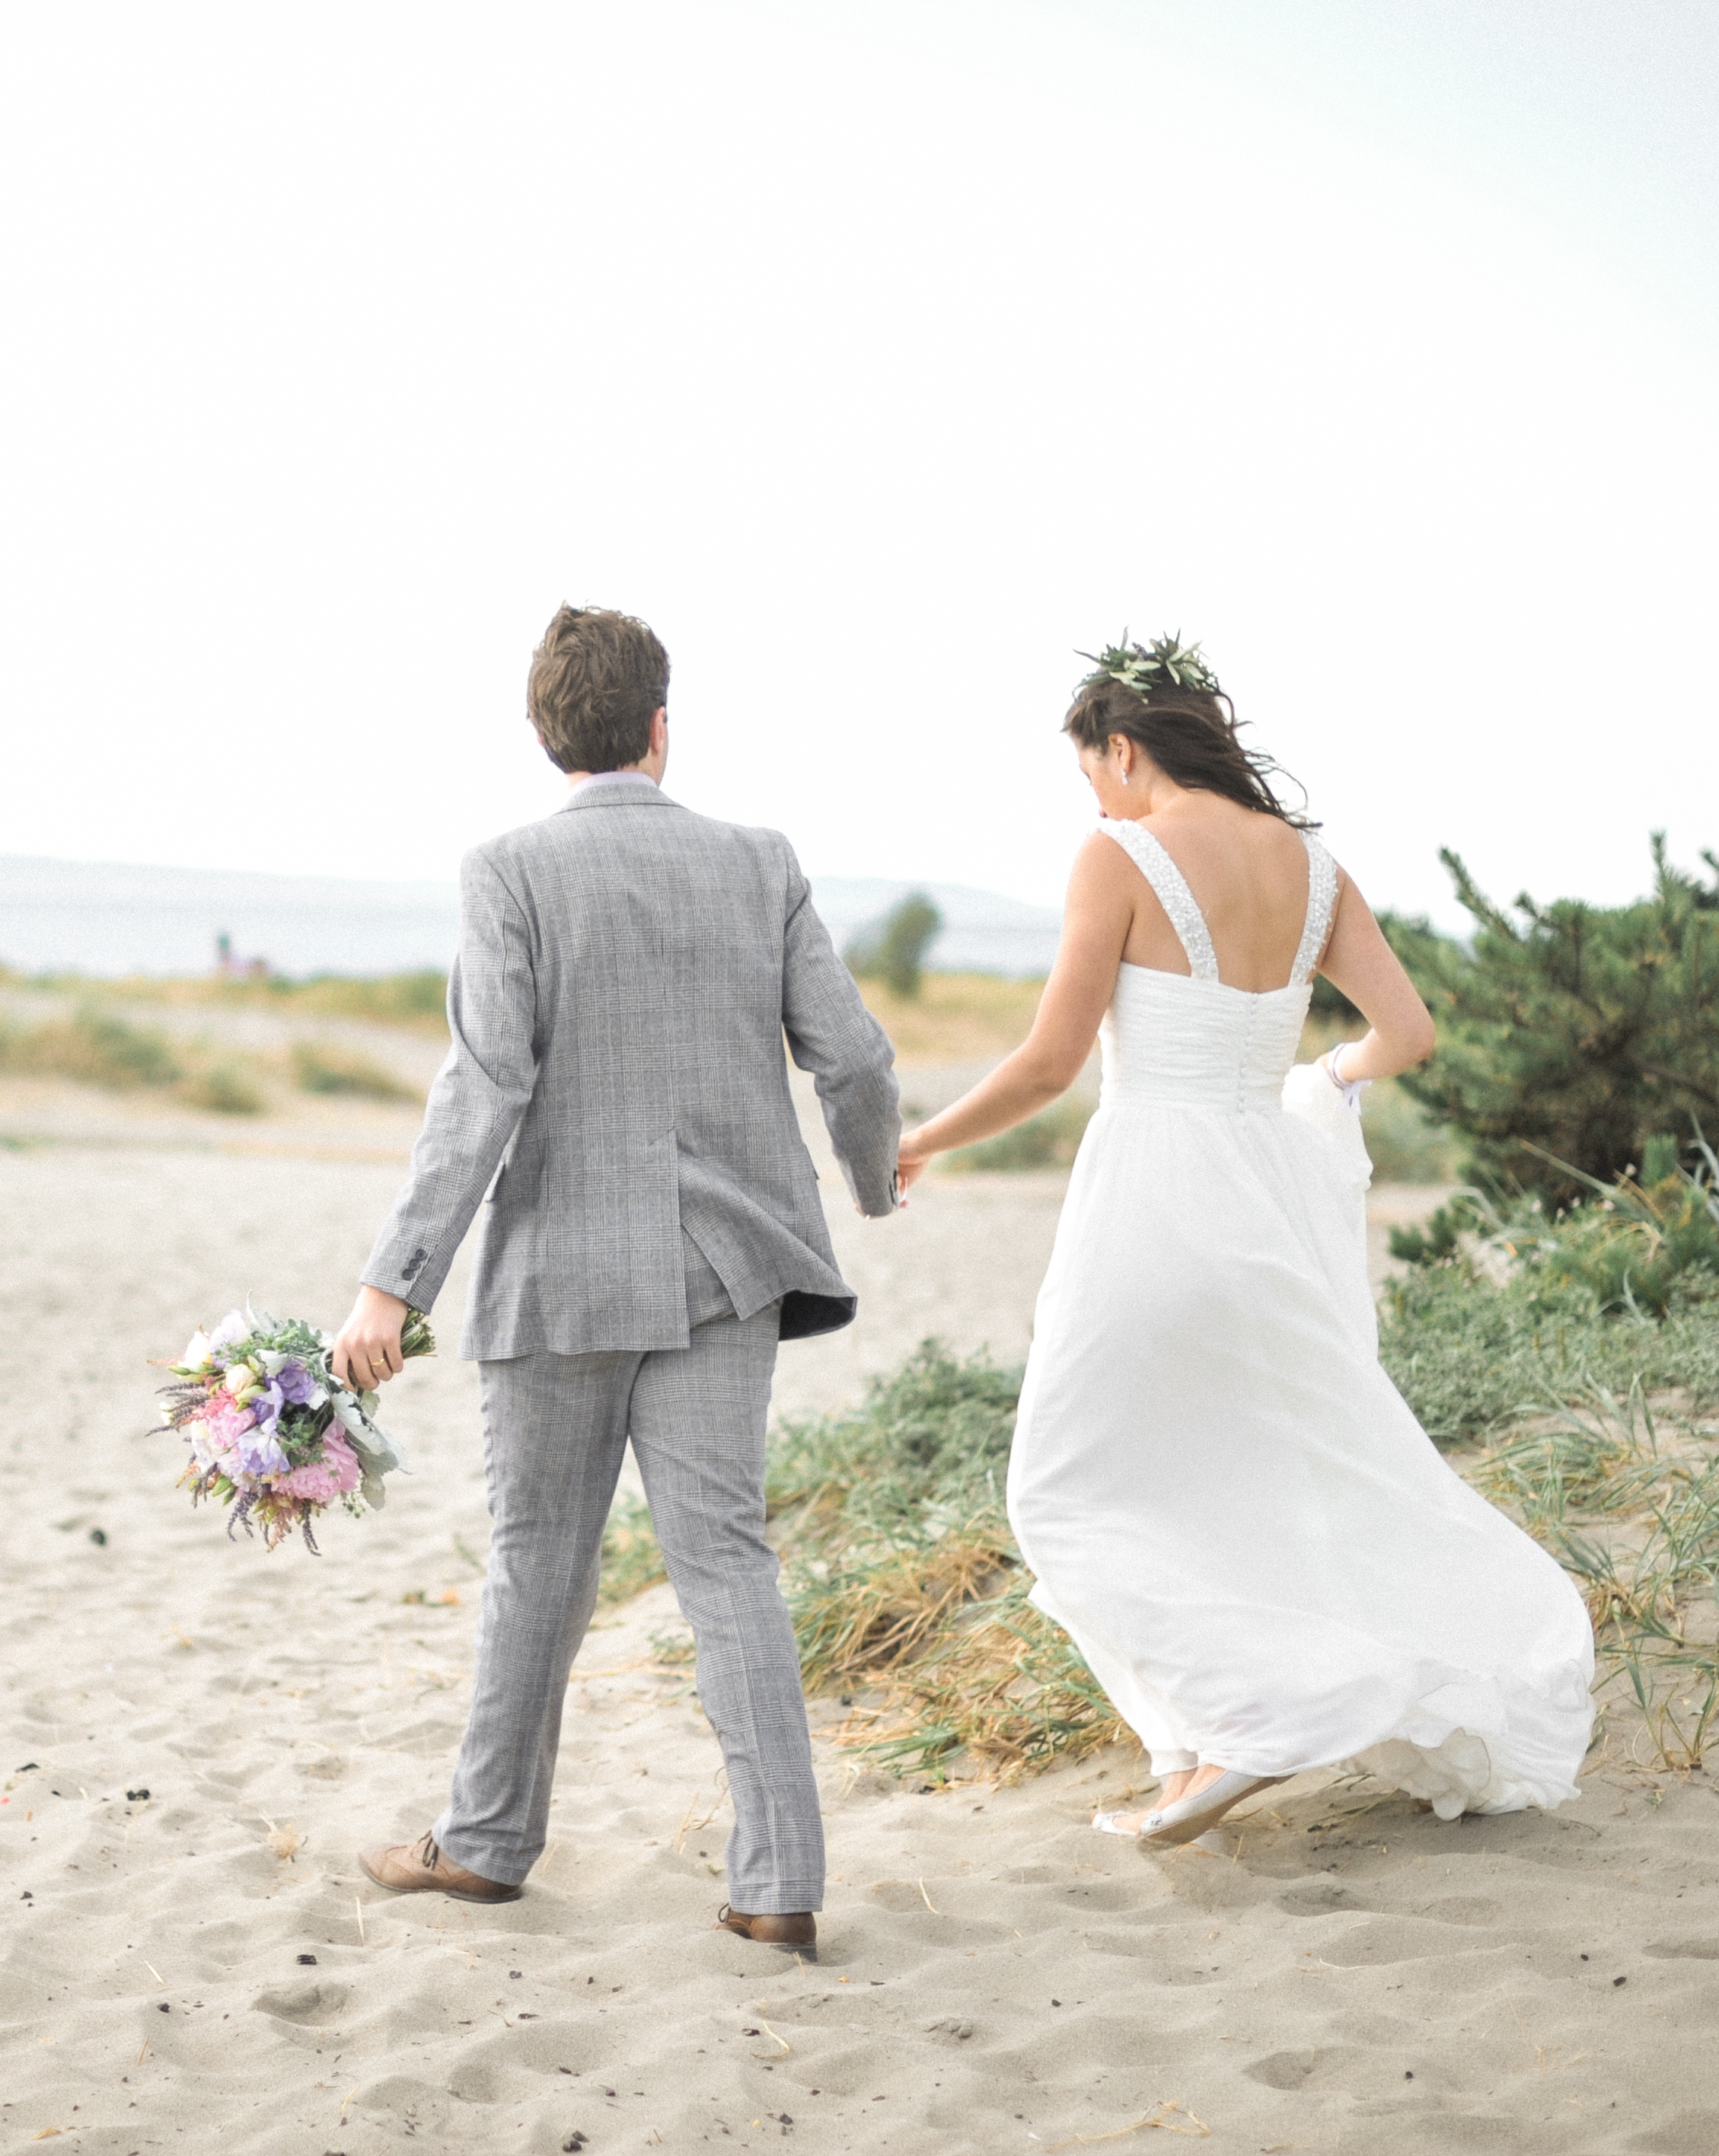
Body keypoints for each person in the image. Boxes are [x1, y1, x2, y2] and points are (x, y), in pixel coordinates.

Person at [893, 639, 1593, 1848]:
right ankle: (1192, 1755)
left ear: (1124, 748)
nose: (1095, 803)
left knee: (1061, 1489)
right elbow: (1409, 1033)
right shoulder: (1314, 868)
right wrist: (1323, 1072)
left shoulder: (1118, 853)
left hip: (1155, 1196)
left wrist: (925, 1139)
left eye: (1092, 775)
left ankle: (1240, 1724)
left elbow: (1054, 1062)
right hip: (1266, 1198)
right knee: (1249, 1477)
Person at [330, 604, 901, 1953]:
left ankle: (482, 1849)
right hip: (727, 1270)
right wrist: (874, 1181)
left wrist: (392, 1288)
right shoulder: (761, 862)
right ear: (660, 726)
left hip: (562, 1279)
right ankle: (777, 1887)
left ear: (547, 737)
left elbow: (485, 1085)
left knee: (539, 1562)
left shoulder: (508, 870)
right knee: (727, 1561)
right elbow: (859, 1060)